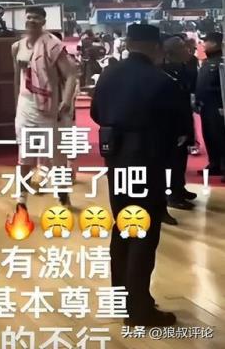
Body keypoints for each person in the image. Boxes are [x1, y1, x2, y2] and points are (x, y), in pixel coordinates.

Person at [91, 24, 183, 327]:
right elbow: (179, 127)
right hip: (147, 160)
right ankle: (139, 308)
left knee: (123, 228)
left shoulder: (108, 74)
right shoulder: (162, 81)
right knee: (144, 232)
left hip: (116, 159)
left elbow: (95, 113)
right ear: (156, 48)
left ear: (129, 43)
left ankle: (123, 298)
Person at [13, 7, 78, 209]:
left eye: (36, 18)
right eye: (29, 17)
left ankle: (62, 194)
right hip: (26, 106)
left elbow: (71, 74)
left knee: (57, 156)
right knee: (25, 156)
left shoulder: (53, 45)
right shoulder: (17, 46)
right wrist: (15, 102)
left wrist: (66, 100)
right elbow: (17, 77)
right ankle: (21, 199)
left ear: (43, 21)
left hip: (50, 107)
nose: (32, 20)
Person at [162, 36, 197, 214]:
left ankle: (179, 188)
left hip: (184, 118)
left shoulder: (183, 67)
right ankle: (172, 195)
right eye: (182, 47)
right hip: (172, 123)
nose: (187, 50)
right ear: (171, 53)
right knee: (172, 161)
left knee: (181, 158)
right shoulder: (165, 71)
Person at [195, 32, 225, 179]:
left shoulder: (221, 63)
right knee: (209, 135)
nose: (203, 45)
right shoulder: (207, 62)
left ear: (214, 43)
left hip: (218, 106)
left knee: (221, 136)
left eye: (205, 42)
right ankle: (214, 164)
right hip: (206, 106)